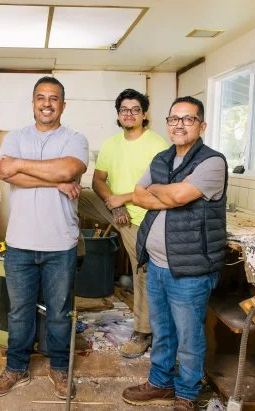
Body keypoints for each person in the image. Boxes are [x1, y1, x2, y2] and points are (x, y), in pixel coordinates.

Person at [0, 76, 88, 400]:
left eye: (54, 98)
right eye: (41, 97)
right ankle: (16, 366)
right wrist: (54, 179)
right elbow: (4, 172)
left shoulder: (75, 138)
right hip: (19, 242)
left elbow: (67, 170)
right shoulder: (15, 137)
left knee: (59, 312)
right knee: (19, 311)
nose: (47, 103)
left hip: (60, 244)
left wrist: (24, 167)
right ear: (33, 103)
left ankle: (59, 367)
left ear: (63, 105)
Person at [122, 96, 227, 411]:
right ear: (166, 124)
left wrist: (164, 192)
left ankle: (186, 394)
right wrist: (165, 194)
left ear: (202, 125)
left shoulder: (212, 161)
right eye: (174, 119)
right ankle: (160, 383)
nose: (179, 125)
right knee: (163, 330)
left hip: (190, 268)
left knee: (188, 337)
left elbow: (179, 196)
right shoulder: (161, 158)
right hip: (155, 264)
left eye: (188, 119)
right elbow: (138, 195)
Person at [78, 88, 169, 358]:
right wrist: (111, 202)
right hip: (115, 209)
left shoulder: (157, 144)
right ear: (118, 115)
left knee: (141, 270)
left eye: (135, 109)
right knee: (72, 194)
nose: (129, 114)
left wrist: (124, 200)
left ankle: (143, 331)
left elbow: (160, 188)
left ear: (144, 114)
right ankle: (68, 249)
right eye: (124, 110)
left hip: (142, 216)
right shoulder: (111, 144)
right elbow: (97, 181)